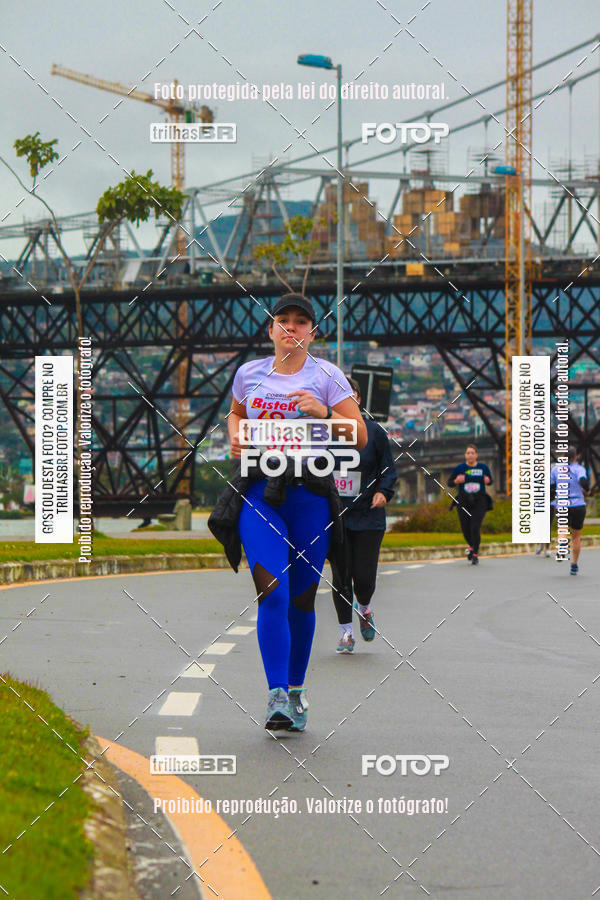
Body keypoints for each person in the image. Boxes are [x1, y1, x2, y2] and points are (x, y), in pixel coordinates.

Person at [223, 293, 367, 732]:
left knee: (303, 601)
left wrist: (323, 412)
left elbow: (359, 435)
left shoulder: (328, 376)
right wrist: (235, 435)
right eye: (282, 321)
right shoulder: (249, 374)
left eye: (300, 322)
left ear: (312, 332)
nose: (290, 328)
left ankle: (297, 690)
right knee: (274, 592)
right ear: (270, 330)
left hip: (311, 496)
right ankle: (275, 697)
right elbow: (235, 414)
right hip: (261, 493)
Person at [330, 377, 397, 653]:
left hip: (369, 516)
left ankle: (365, 608)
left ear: (357, 399)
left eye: (350, 393)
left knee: (364, 577)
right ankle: (346, 632)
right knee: (341, 576)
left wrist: (383, 492)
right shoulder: (325, 432)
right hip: (336, 517)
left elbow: (388, 470)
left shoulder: (375, 432)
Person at [447, 444, 493, 566]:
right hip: (463, 501)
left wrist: (487, 481)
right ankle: (472, 547)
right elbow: (450, 483)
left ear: (476, 455)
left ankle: (475, 555)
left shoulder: (483, 467)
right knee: (465, 529)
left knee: (475, 527)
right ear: (465, 455)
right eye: (468, 453)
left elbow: (490, 481)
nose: (470, 455)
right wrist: (456, 481)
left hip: (479, 501)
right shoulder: (459, 468)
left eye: (472, 453)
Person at [550, 447, 590, 575]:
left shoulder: (555, 469)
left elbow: (551, 487)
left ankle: (562, 546)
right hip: (578, 503)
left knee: (562, 528)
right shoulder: (579, 469)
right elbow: (583, 482)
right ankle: (574, 564)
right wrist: (587, 490)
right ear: (575, 457)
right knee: (576, 536)